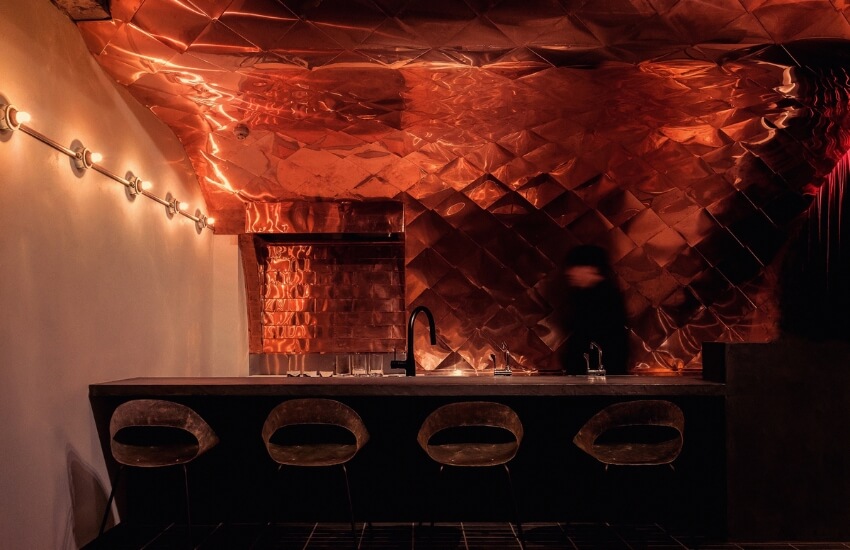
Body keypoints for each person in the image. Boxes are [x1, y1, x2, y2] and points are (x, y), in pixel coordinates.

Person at [554, 244, 630, 375]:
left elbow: (590, 340)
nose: (569, 272)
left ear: (591, 269)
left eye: (575, 267)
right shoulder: (588, 294)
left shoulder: (603, 297)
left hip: (598, 378)